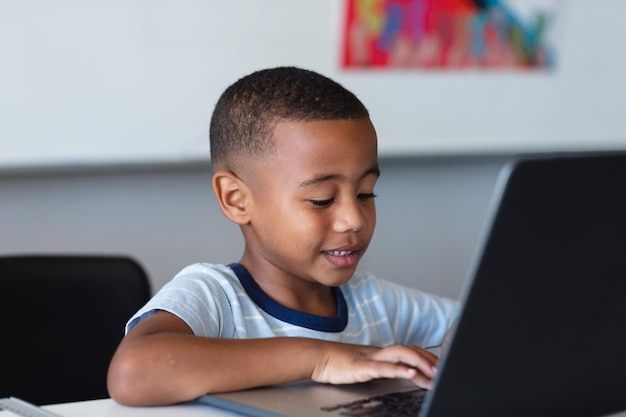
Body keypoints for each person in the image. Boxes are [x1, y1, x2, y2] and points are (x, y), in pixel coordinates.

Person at [107, 66, 460, 406]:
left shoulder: (375, 302)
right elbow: (133, 372)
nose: (354, 219)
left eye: (366, 193)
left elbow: (479, 320)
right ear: (237, 200)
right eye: (322, 200)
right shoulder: (216, 297)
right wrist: (321, 358)